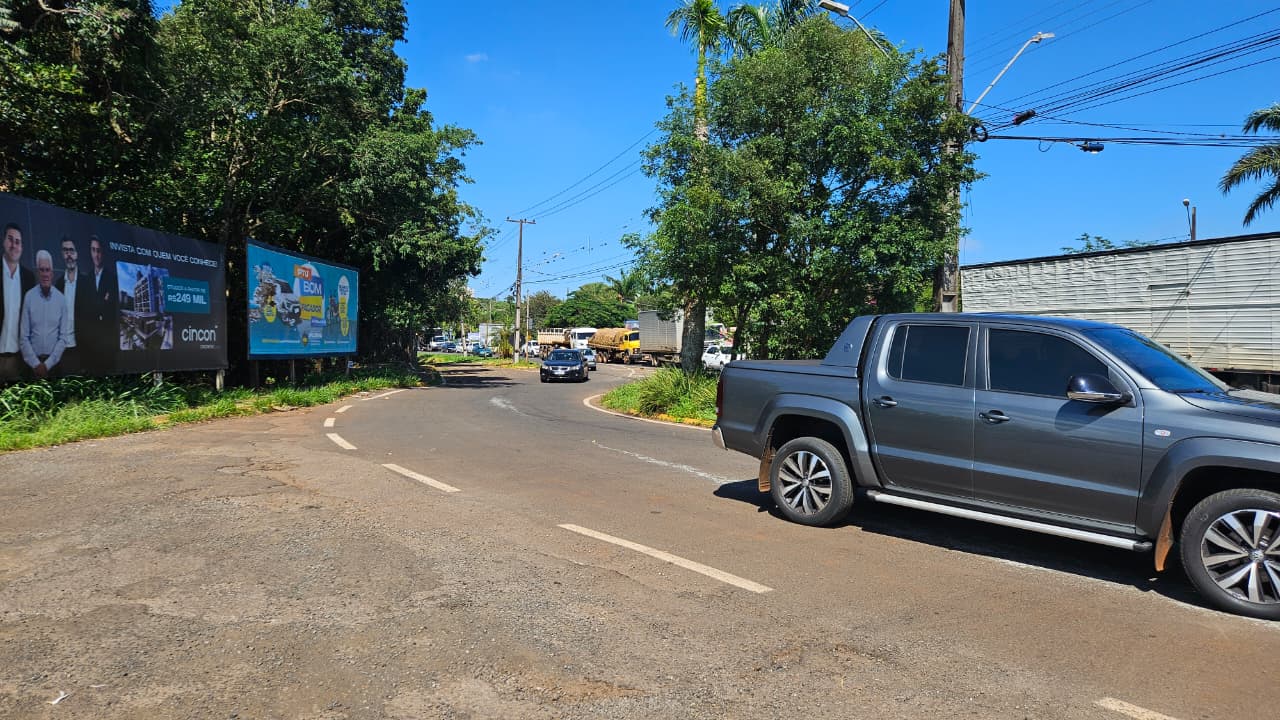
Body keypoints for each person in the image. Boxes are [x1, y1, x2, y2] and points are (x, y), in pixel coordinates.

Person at [20, 250, 68, 379]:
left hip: (54, 367)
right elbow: (24, 337)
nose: (45, 274)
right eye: (42, 270)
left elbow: (63, 338)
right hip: (32, 367)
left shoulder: (61, 300)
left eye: (48, 270)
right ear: (37, 272)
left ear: (52, 273)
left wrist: (47, 365)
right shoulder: (29, 297)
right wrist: (36, 365)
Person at [0, 222, 36, 380]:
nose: (14, 245)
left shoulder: (29, 278)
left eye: (18, 241)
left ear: (21, 246)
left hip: (18, 358)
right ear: (3, 241)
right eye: (10, 239)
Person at [55, 235, 92, 375]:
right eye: (65, 250)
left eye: (71, 250)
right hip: (62, 348)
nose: (69, 254)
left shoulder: (87, 283)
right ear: (62, 254)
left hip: (82, 348)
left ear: (77, 254)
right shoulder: (58, 285)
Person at [84, 234, 119, 368]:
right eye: (93, 250)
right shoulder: (87, 279)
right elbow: (87, 309)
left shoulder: (112, 278)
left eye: (98, 250)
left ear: (103, 253)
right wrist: (102, 302)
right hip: (91, 343)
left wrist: (96, 305)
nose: (96, 255)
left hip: (108, 342)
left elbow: (111, 307)